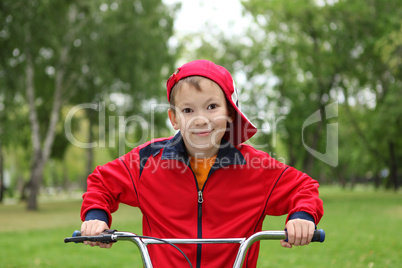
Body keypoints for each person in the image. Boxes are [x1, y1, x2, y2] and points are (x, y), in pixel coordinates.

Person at [80, 59, 324, 267]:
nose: (200, 119)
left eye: (212, 107)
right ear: (174, 119)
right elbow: (103, 182)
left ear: (229, 113)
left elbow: (303, 188)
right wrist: (96, 216)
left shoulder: (255, 167)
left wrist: (302, 217)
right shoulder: (147, 161)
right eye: (187, 110)